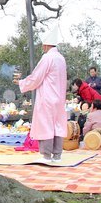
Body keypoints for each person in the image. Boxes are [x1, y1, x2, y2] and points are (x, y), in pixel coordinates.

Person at [15, 27, 68, 162]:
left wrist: (21, 83)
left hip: (48, 97)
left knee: (46, 125)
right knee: (57, 125)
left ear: (46, 45)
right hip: (59, 97)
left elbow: (36, 77)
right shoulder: (61, 58)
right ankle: (57, 155)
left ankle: (46, 154)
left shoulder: (47, 57)